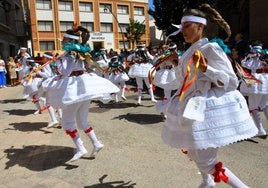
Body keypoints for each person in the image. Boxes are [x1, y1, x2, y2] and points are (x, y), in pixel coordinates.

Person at [161, 4, 258, 188]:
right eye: (182, 27)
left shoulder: (211, 48)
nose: (183, 31)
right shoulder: (188, 52)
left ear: (200, 26)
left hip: (206, 107)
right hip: (190, 105)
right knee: (193, 149)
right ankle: (207, 183)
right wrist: (176, 64)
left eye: (188, 26)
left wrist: (207, 68)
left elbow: (229, 81)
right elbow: (182, 82)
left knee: (206, 160)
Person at [38, 25, 119, 162]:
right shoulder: (80, 53)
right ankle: (96, 143)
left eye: (64, 39)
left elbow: (65, 72)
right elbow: (86, 67)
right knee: (82, 121)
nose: (62, 41)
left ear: (69, 41)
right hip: (83, 86)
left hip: (73, 88)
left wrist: (57, 63)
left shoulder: (69, 55)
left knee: (67, 121)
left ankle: (81, 148)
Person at [239, 41, 268, 138]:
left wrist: (249, 56)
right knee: (265, 104)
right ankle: (260, 129)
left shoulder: (252, 55)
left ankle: (260, 129)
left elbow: (244, 64)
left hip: (255, 80)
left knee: (253, 107)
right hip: (265, 79)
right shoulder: (264, 55)